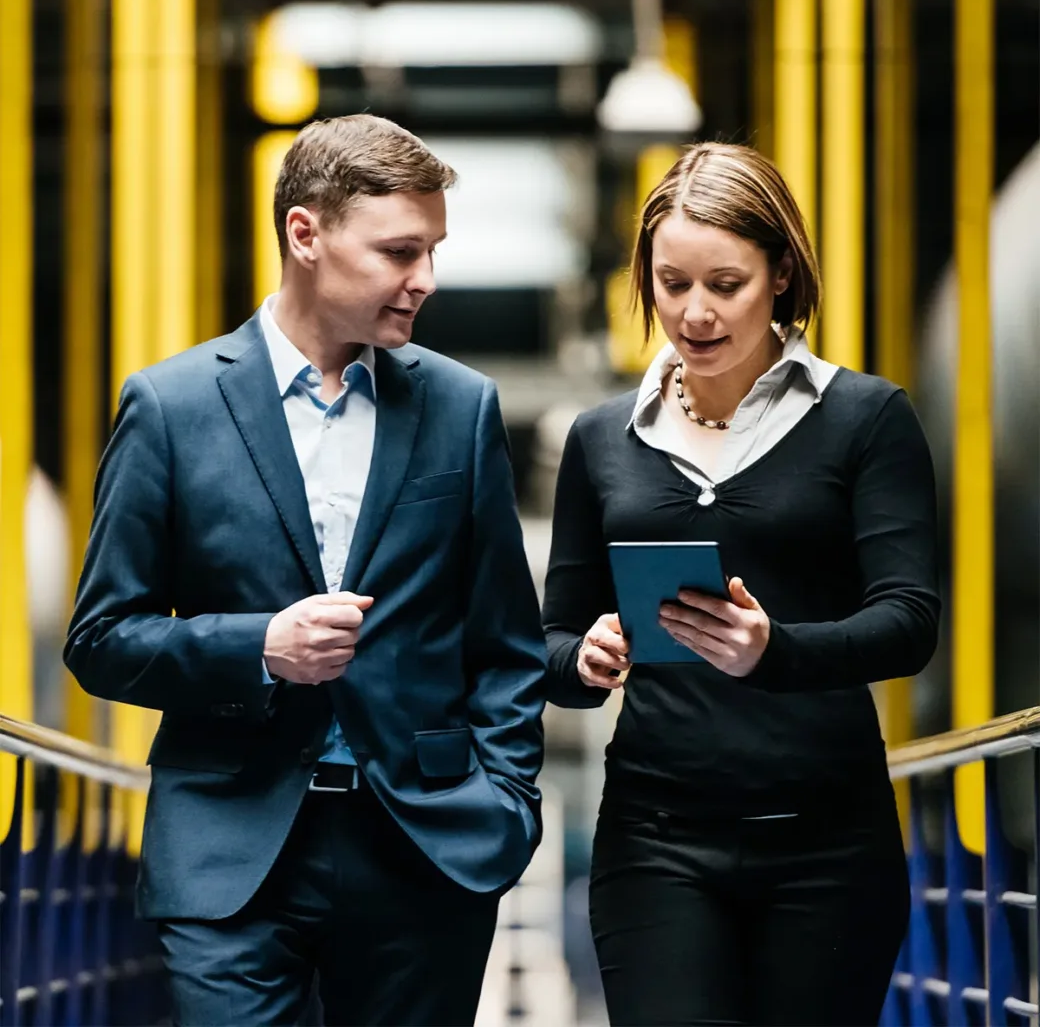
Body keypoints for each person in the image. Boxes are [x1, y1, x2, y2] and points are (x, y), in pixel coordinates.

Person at [65, 114, 547, 1027]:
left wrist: (506, 802)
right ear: (305, 234)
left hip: (424, 846)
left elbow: (506, 641)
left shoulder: (460, 406)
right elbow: (101, 638)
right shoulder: (169, 408)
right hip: (228, 853)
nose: (427, 282)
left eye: (434, 251)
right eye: (401, 252)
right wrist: (261, 647)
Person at [543, 142, 939, 1026]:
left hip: (829, 845)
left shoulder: (866, 418)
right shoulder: (602, 439)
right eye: (671, 282)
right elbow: (548, 638)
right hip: (656, 841)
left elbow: (910, 623)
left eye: (726, 284)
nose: (695, 312)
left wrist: (774, 651)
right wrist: (585, 657)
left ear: (783, 276)